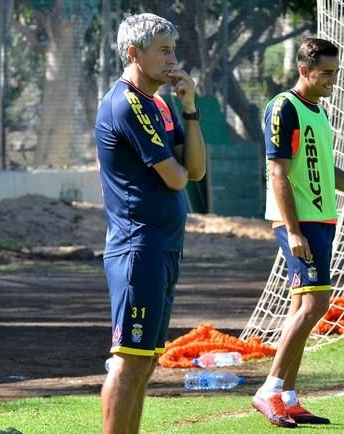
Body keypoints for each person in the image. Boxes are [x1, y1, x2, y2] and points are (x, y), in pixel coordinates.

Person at [253, 37, 344, 428]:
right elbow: (277, 172)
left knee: (302, 307)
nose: (334, 80)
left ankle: (288, 395)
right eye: (327, 73)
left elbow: (327, 172)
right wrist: (293, 229)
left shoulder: (317, 112)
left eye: (336, 72)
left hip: (322, 220)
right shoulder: (284, 108)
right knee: (316, 305)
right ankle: (268, 390)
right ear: (305, 70)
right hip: (300, 223)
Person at [95, 13, 206, 433]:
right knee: (129, 360)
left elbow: (195, 171)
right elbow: (176, 177)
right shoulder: (127, 103)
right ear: (133, 53)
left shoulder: (159, 103)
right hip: (137, 249)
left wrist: (191, 109)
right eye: (163, 50)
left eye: (173, 49)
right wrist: (180, 164)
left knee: (145, 361)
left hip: (163, 247)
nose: (173, 59)